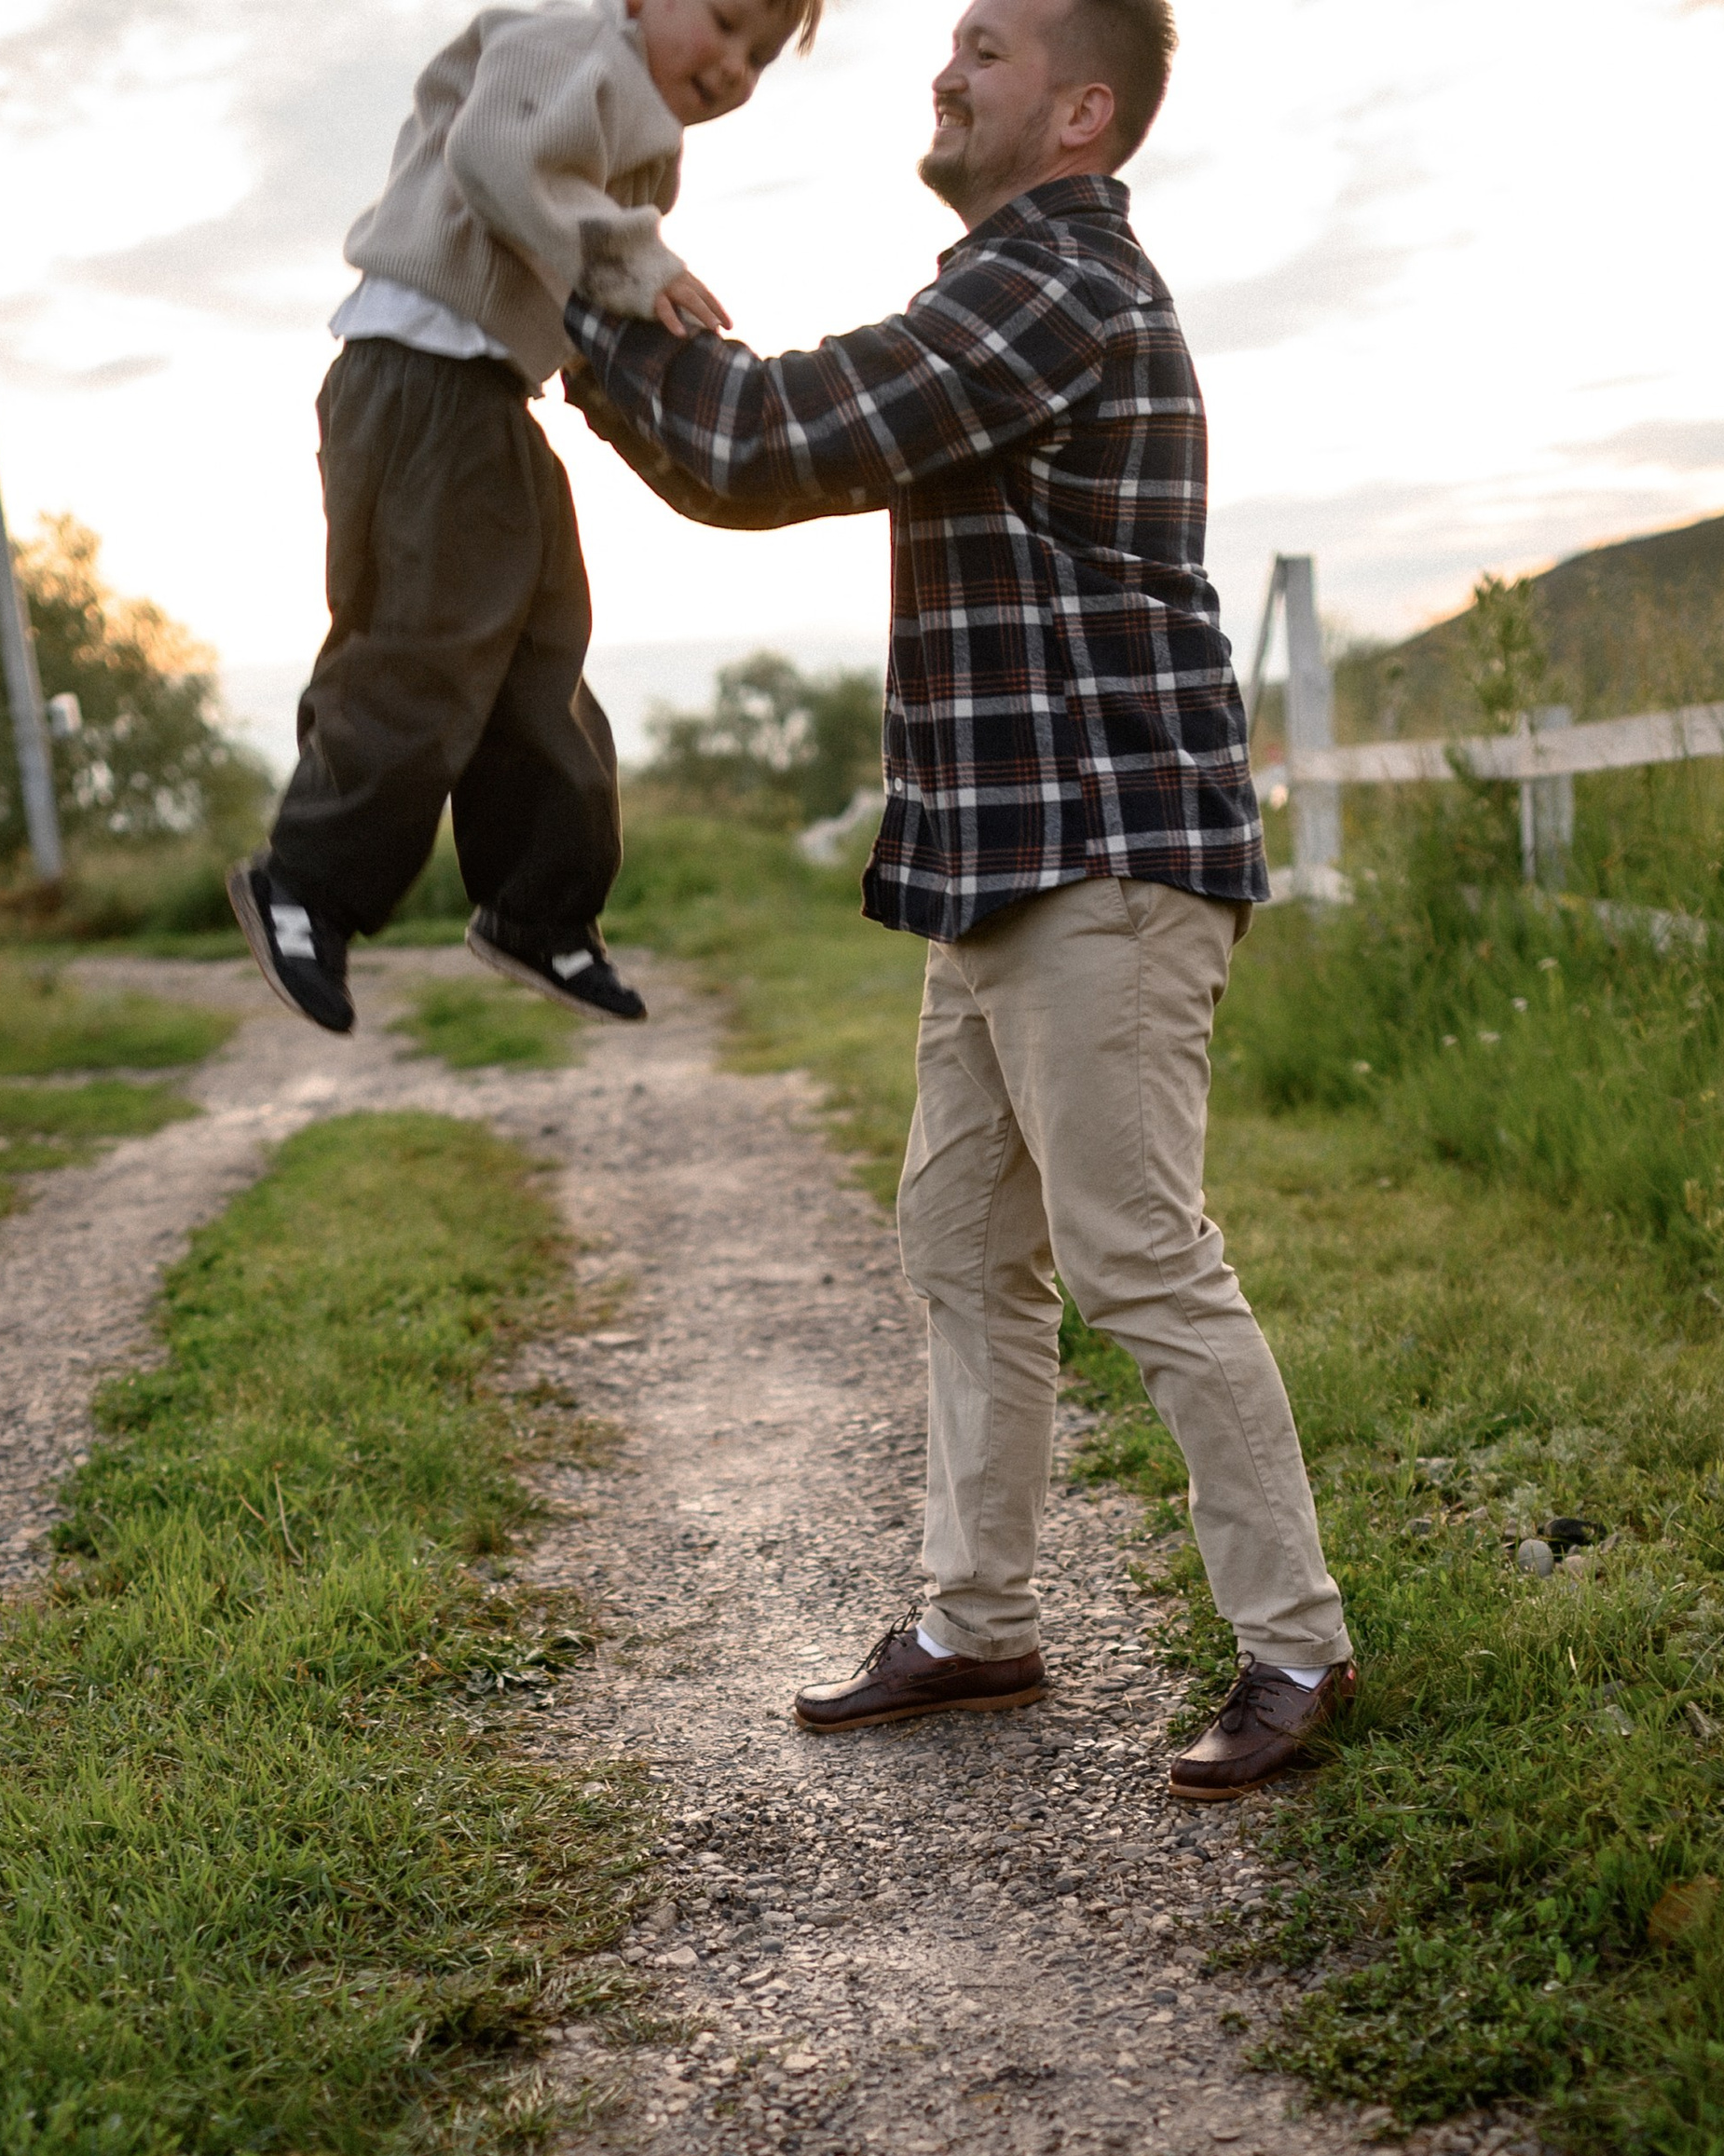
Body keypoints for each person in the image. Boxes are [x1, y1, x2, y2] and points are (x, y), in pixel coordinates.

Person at [564, 0, 1357, 1798]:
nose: (946, 68)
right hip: (1000, 863)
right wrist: (601, 304)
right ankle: (977, 1621)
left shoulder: (1055, 290)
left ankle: (1300, 1644)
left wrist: (570, 298)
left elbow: (767, 443)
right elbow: (752, 450)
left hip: (1100, 859)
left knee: (1136, 1253)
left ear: (1081, 112)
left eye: (989, 48)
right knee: (961, 1249)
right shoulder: (1005, 287)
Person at [228, 0, 821, 1043]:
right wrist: (639, 262)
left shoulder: (646, 143)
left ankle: (539, 908)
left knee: (542, 653)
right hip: (417, 377)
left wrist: (642, 367)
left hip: (492, 393)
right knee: (426, 646)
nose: (735, 65)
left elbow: (575, 286)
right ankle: (305, 884)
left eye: (761, 56)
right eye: (725, 22)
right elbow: (497, 160)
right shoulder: (571, 45)